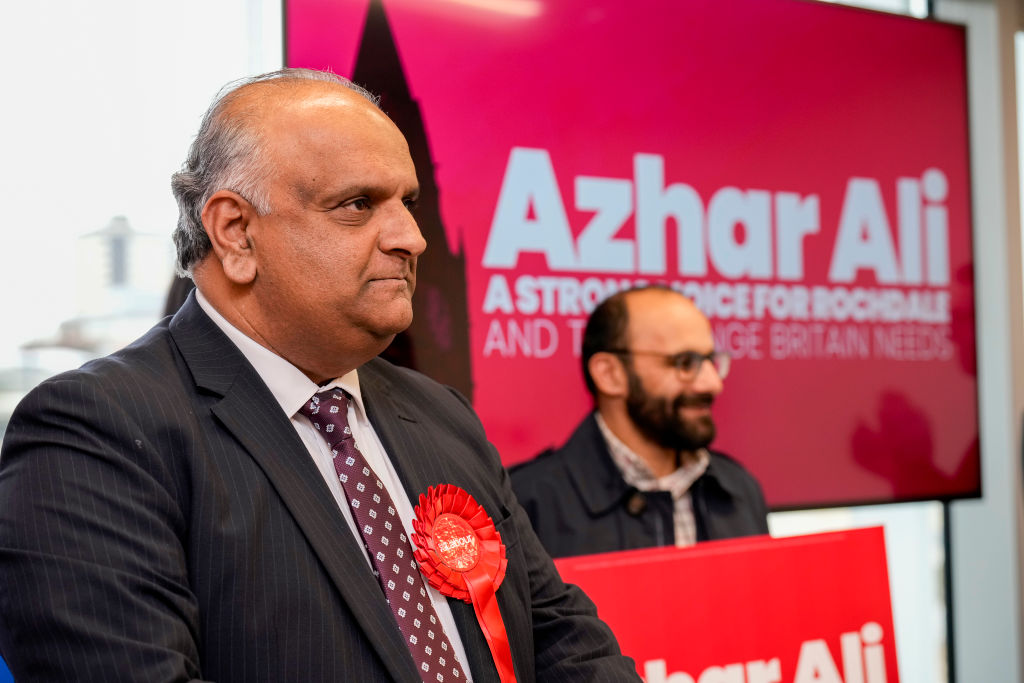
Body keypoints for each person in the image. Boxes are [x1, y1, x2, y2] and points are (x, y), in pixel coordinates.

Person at [0, 69, 640, 682]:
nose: (411, 238)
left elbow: (559, 639)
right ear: (236, 232)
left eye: (407, 203)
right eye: (358, 205)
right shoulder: (94, 432)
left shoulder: (442, 416)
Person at [510, 285, 769, 558]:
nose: (712, 384)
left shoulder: (738, 490)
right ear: (610, 374)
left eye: (709, 361)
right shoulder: (527, 505)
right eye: (684, 362)